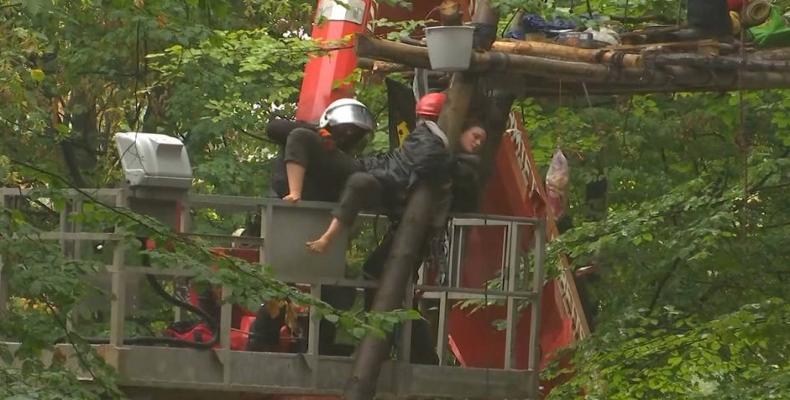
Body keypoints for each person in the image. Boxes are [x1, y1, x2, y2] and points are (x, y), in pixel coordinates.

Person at [305, 118, 488, 253]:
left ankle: (328, 238)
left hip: (407, 212)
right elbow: (425, 162)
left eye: (482, 141)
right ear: (461, 130)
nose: (478, 142)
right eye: (476, 136)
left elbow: (464, 194)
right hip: (388, 184)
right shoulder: (428, 139)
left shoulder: (467, 167)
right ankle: (326, 235)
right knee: (356, 180)